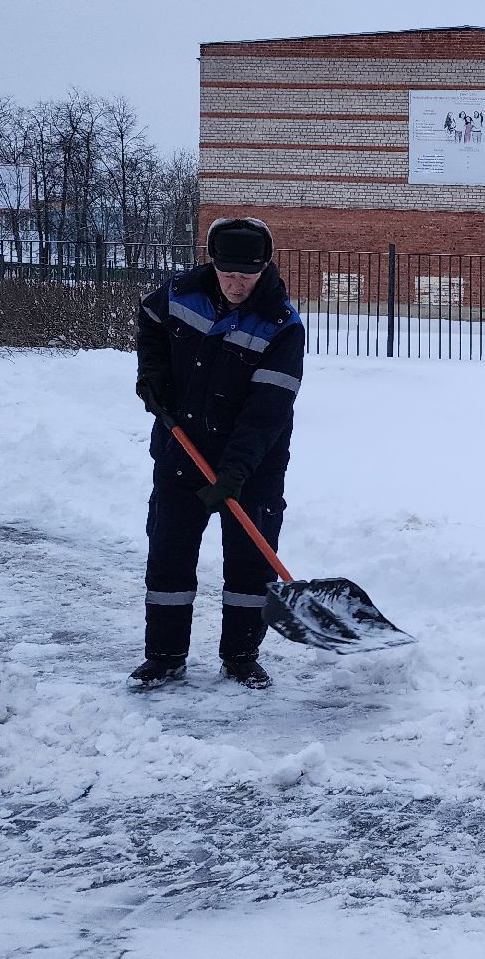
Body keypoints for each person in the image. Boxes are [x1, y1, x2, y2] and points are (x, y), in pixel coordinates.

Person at [130, 217, 303, 690]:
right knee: (169, 555)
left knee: (249, 563)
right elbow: (150, 323)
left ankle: (241, 657)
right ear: (213, 264)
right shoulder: (180, 294)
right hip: (181, 451)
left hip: (253, 466)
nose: (235, 284)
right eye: (227, 273)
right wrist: (153, 376)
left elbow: (267, 411)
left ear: (264, 268)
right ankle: (164, 658)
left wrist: (235, 471)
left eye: (246, 275)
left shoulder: (282, 325)